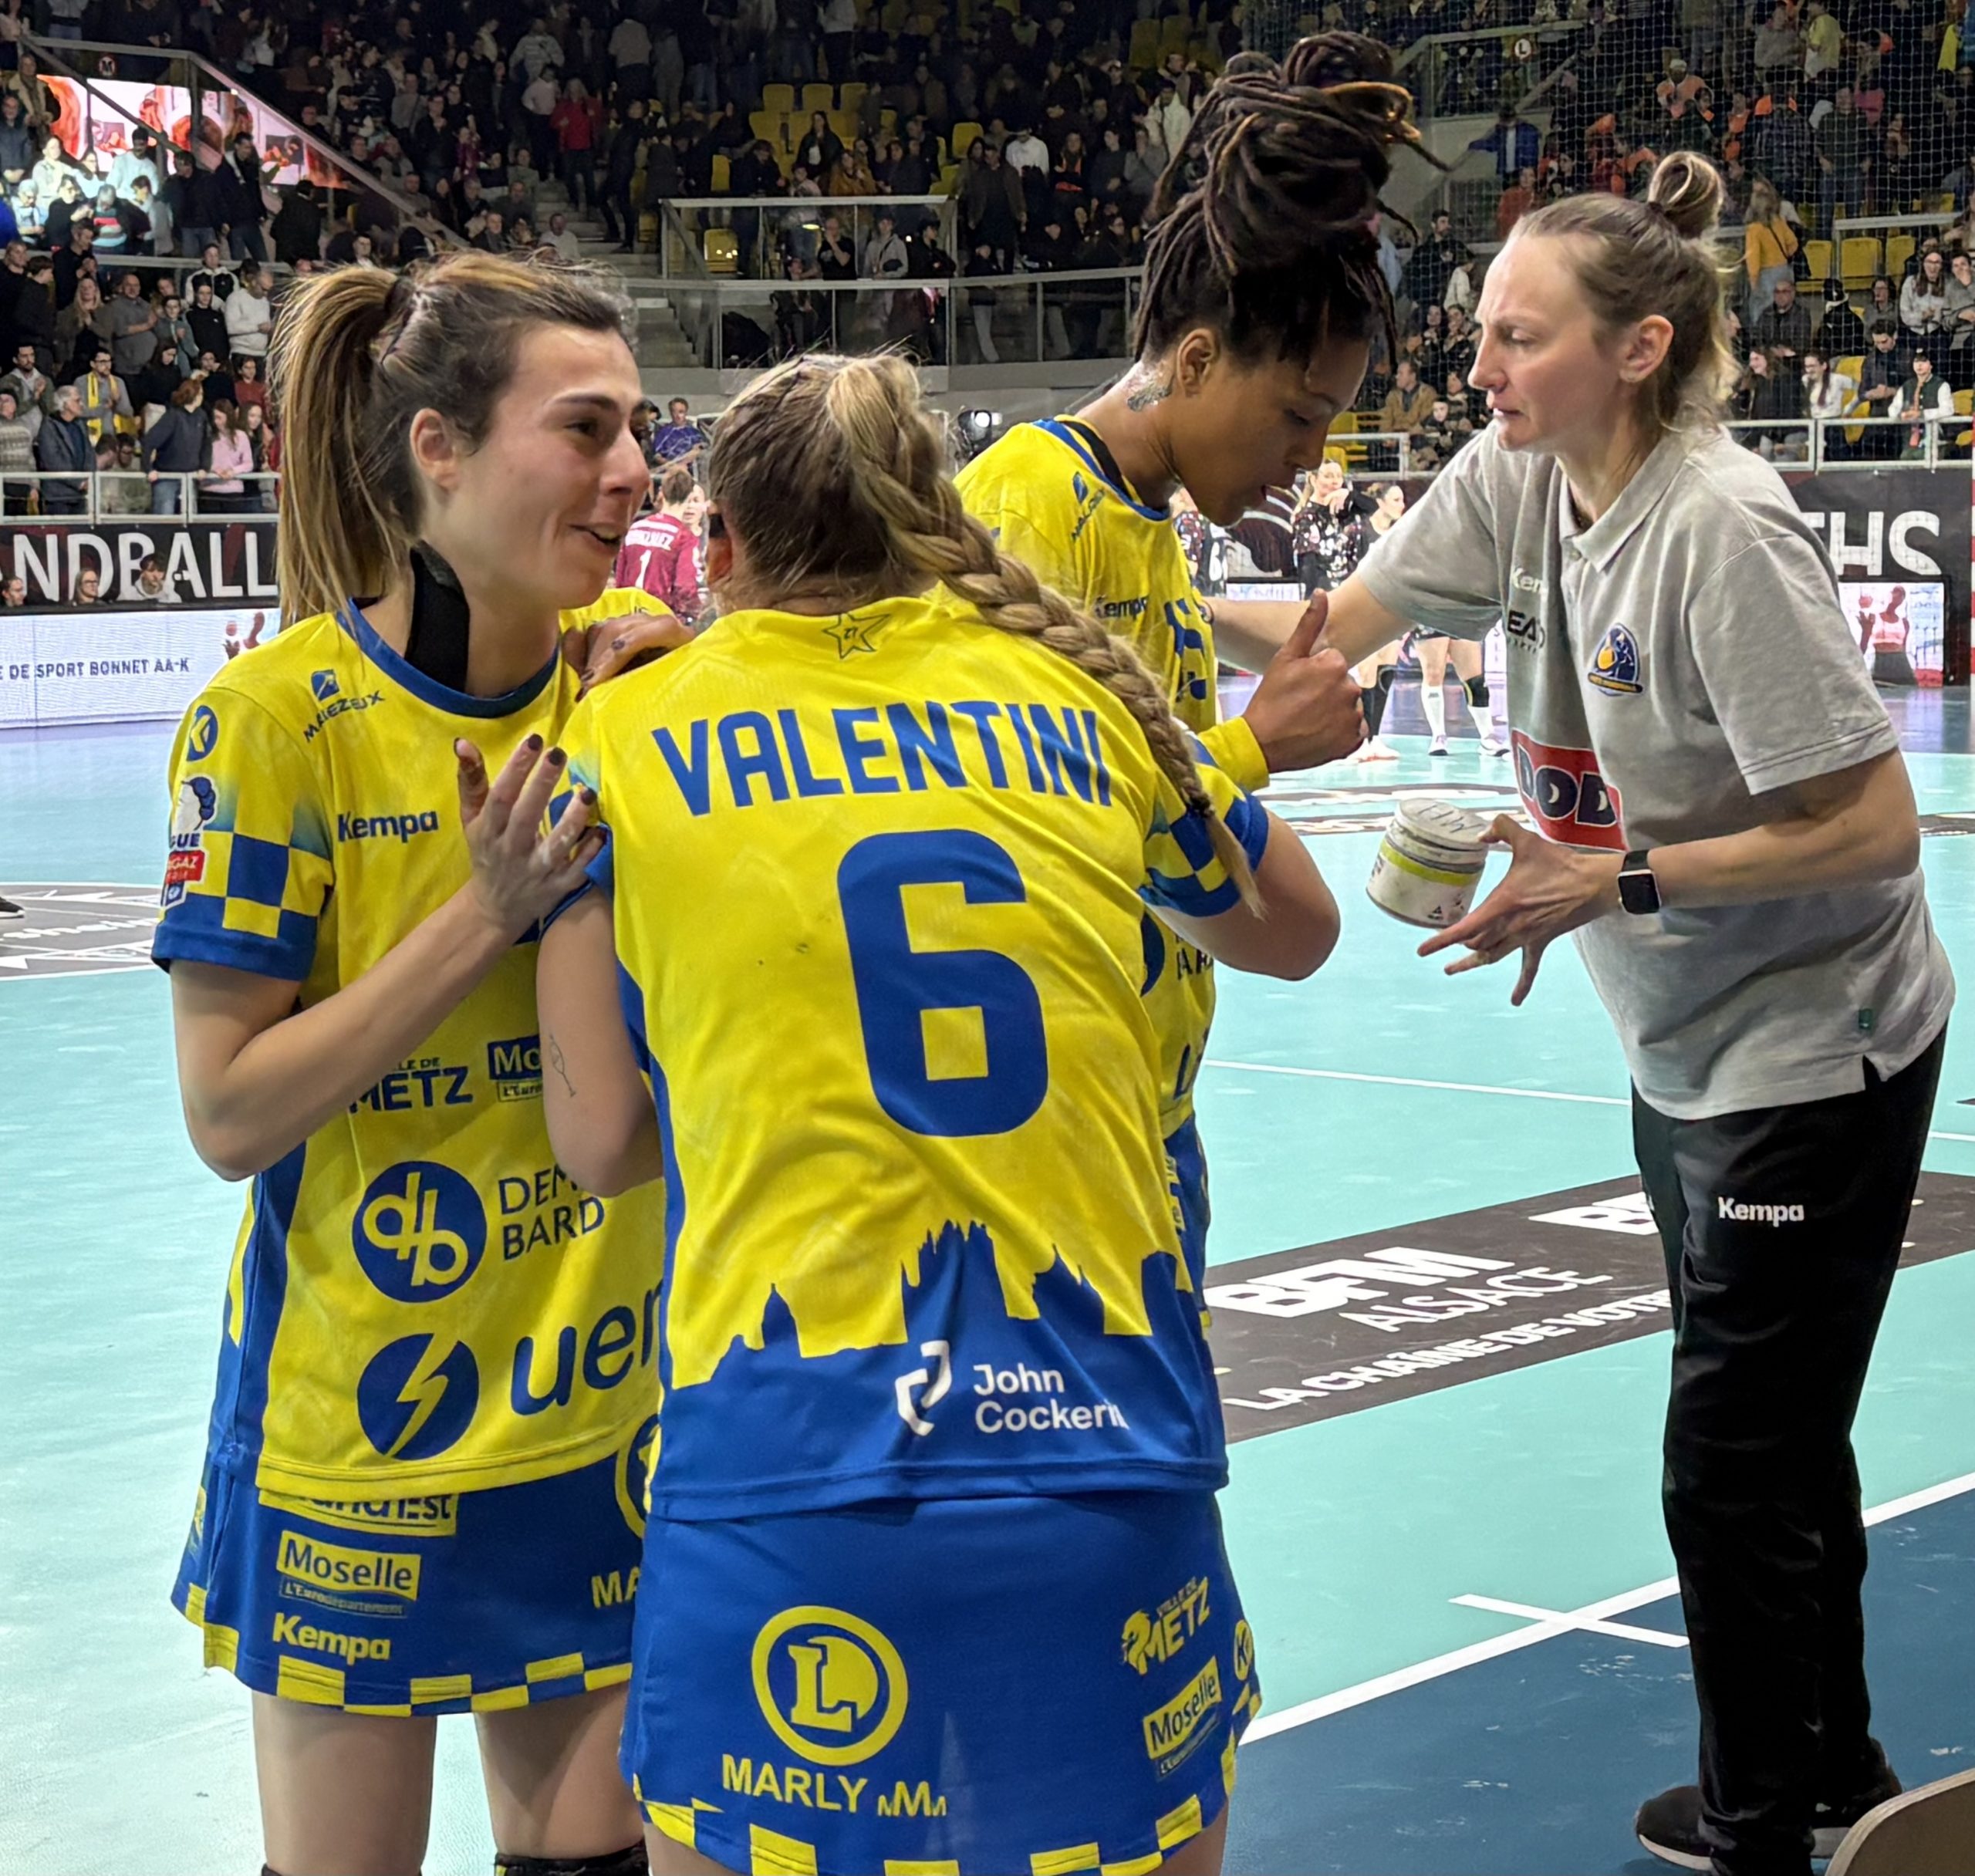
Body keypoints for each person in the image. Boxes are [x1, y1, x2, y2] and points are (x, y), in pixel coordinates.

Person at [535, 349, 1339, 1876]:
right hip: (1105, 1452)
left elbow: (602, 1141)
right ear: (936, 521)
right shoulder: (1073, 693)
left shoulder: (624, 738)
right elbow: (1295, 929)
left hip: (784, 1467)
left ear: (719, 546)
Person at [1313, 150, 1953, 1876]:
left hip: (1815, 1048)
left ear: (1639, 348)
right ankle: (1830, 1769)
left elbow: (1873, 824)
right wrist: (1104, 622)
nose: (1477, 366)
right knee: (1779, 1441)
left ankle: (1759, 1827)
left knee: (1728, 1463)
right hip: (1679, 1044)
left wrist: (1614, 879)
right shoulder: (1516, 476)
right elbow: (1328, 632)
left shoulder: (1717, 528)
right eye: (1479, 331)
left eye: (1517, 338)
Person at [151, 251, 685, 1876]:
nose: (631, 470)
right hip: (359, 1445)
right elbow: (228, 1112)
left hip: (600, 1417)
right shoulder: (273, 726)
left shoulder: (644, 697)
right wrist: (486, 914)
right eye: (582, 427)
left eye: (639, 428)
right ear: (437, 449)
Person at [958, 33, 1396, 1307]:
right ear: (1195, 362)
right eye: (1301, 416)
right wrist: (1258, 746)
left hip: (1146, 1108)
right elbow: (1015, 827)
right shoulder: (1029, 502)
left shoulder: (1148, 526)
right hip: (1046, 1134)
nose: (1309, 458)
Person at [612, 464, 702, 622]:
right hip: (659, 617)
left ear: (662, 493)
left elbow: (620, 576)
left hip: (628, 614)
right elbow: (685, 587)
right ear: (689, 496)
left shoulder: (636, 528)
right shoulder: (683, 536)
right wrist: (690, 615)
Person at [143, 376, 207, 514]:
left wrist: (204, 467)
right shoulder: (173, 416)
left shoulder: (201, 416)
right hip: (167, 476)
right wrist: (148, 469)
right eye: (200, 393)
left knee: (190, 519)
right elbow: (150, 441)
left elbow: (206, 444)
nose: (202, 397)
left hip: (190, 476)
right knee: (165, 519)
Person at [34, 380, 88, 514]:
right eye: (77, 401)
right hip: (58, 496)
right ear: (66, 404)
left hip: (80, 495)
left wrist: (90, 479)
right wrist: (79, 482)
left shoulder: (80, 425)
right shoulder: (49, 427)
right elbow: (52, 461)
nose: (82, 404)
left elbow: (89, 454)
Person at [647, 397, 702, 473]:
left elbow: (700, 451)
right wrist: (673, 466)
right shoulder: (663, 433)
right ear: (670, 413)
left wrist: (683, 464)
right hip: (669, 470)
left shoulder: (694, 433)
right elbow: (657, 456)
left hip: (689, 471)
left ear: (686, 413)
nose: (677, 416)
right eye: (674, 412)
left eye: (681, 412)